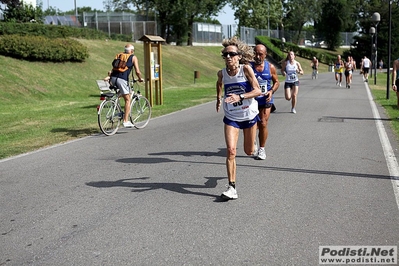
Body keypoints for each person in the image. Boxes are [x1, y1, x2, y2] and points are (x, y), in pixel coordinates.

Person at [216, 36, 262, 200]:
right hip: (232, 117)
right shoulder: (222, 73)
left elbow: (258, 91)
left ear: (239, 56)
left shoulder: (246, 70)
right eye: (226, 55)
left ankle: (254, 142)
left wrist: (240, 97)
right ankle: (232, 187)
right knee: (231, 151)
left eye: (232, 54)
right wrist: (218, 98)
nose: (228, 57)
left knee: (249, 151)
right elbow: (219, 83)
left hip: (248, 115)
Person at [250, 44, 280, 160]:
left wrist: (271, 91)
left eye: (260, 54)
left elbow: (276, 82)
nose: (257, 56)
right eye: (255, 53)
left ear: (265, 55)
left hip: (265, 99)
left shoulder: (270, 67)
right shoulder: (248, 66)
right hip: (252, 100)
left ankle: (262, 149)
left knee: (263, 123)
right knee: (253, 125)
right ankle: (253, 141)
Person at [110, 44, 144, 128]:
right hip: (122, 79)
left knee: (123, 93)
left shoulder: (119, 55)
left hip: (113, 78)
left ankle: (115, 105)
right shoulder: (133, 57)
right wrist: (140, 78)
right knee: (128, 99)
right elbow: (137, 71)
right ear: (132, 51)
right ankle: (125, 121)